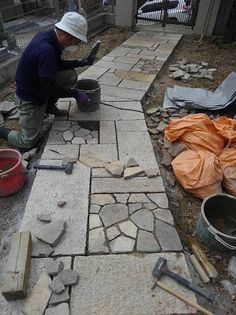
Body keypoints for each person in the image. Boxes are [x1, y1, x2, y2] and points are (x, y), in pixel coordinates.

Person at [0, 12, 95, 150]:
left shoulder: (50, 37)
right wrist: (75, 94)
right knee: (27, 142)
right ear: (68, 36)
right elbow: (49, 89)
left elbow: (56, 65)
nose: (77, 44)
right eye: (77, 41)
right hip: (30, 99)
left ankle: (49, 107)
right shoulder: (46, 50)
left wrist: (81, 62)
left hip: (38, 84)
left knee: (69, 76)